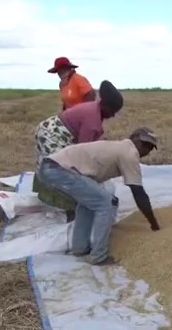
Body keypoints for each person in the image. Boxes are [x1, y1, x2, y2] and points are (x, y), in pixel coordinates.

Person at [37, 127, 161, 266]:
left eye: (150, 147)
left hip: (51, 167)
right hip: (61, 170)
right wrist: (154, 224)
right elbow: (138, 193)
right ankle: (99, 256)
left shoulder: (120, 147)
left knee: (89, 203)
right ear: (135, 139)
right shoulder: (129, 153)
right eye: (145, 145)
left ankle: (80, 248)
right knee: (107, 203)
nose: (146, 150)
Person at [33, 81, 124, 219]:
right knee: (63, 171)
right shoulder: (92, 121)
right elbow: (83, 154)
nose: (113, 115)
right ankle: (71, 210)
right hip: (51, 134)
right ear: (105, 105)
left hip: (55, 131)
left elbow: (96, 142)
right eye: (112, 111)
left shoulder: (95, 110)